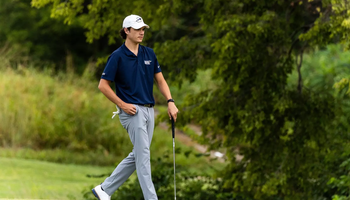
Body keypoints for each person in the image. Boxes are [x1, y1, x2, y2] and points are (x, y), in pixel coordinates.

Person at [91, 14, 179, 200]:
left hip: (149, 109)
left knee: (139, 154)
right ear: (126, 31)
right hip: (131, 111)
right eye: (137, 29)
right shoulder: (117, 56)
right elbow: (103, 85)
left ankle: (104, 189)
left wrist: (170, 101)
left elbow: (161, 81)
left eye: (143, 29)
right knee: (144, 156)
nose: (141, 32)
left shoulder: (149, 53)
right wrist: (122, 104)